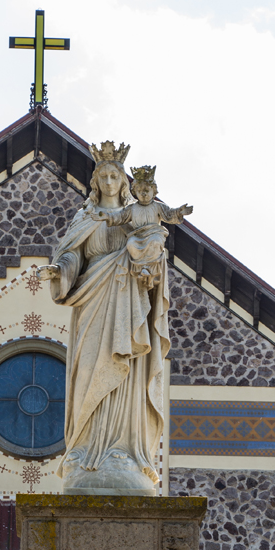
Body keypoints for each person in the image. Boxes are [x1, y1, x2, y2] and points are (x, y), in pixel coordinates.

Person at [37, 141, 191, 495]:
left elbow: (152, 254)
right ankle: (83, 449)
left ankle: (124, 451)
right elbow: (73, 257)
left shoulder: (136, 216)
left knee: (127, 379)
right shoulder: (86, 218)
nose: (108, 180)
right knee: (90, 372)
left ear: (124, 182)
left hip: (129, 307)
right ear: (95, 181)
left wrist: (150, 262)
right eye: (102, 175)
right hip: (93, 305)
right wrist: (59, 271)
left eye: (114, 175)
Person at [93, 165, 193, 290]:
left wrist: (179, 212)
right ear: (135, 192)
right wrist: (107, 217)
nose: (144, 193)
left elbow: (169, 214)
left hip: (154, 234)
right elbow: (120, 217)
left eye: (147, 190)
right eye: (140, 191)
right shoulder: (132, 208)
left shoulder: (157, 206)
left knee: (155, 242)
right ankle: (142, 269)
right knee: (131, 244)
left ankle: (148, 269)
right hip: (138, 235)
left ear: (154, 191)